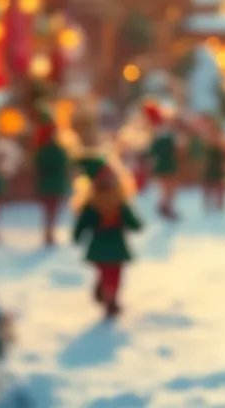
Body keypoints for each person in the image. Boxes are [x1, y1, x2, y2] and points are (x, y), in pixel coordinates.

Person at [72, 154, 143, 319]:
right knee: (108, 272)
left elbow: (130, 219)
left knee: (114, 273)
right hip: (103, 243)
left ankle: (110, 296)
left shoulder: (119, 201)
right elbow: (84, 222)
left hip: (114, 244)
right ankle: (109, 298)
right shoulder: (92, 205)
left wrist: (134, 224)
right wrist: (78, 234)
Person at [33, 111, 71, 247]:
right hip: (56, 184)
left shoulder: (41, 151)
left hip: (45, 184)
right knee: (53, 209)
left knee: (47, 210)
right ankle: (50, 232)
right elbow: (65, 166)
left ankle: (48, 232)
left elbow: (37, 168)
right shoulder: (60, 150)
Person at [143, 100, 180, 220]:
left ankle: (165, 207)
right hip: (166, 164)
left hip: (166, 163)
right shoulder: (162, 133)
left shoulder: (159, 133)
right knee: (168, 188)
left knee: (168, 188)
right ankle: (166, 207)